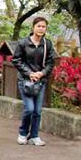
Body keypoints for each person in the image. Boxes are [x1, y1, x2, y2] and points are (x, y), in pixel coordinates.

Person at [12, 16, 56, 146]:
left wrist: (41, 73)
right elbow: (16, 60)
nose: (41, 29)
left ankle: (34, 135)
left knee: (37, 110)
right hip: (25, 80)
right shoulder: (23, 43)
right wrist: (29, 73)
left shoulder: (47, 44)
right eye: (39, 26)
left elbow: (50, 62)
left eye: (43, 26)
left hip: (40, 81)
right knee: (29, 109)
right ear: (33, 27)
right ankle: (23, 132)